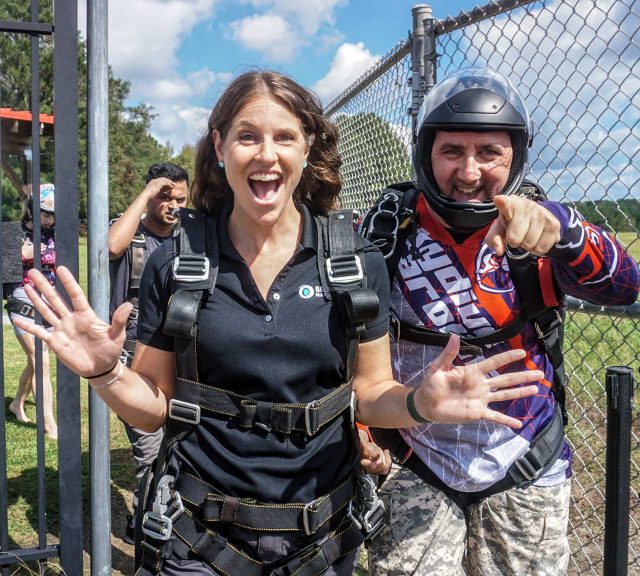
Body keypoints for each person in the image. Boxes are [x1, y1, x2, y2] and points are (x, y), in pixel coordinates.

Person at [14, 70, 545, 576]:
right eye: (248, 137)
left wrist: (416, 404)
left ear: (307, 147)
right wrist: (107, 373)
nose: (266, 155)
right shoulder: (178, 263)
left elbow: (371, 389)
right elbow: (155, 408)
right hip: (199, 537)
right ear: (220, 146)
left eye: (284, 137)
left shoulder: (357, 264)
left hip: (321, 538)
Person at [361, 67, 640, 576]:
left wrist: (566, 233)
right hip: (415, 456)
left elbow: (624, 286)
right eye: (452, 152)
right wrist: (363, 426)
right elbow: (345, 340)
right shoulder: (387, 230)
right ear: (425, 154)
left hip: (525, 459)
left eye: (488, 152)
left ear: (515, 157)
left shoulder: (538, 231)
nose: (469, 173)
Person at [108, 162, 189, 544]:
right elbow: (111, 246)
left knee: (180, 449)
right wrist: (145, 195)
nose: (173, 205)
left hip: (181, 358)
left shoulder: (189, 240)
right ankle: (150, 538)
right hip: (135, 359)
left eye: (180, 199)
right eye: (166, 196)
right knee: (150, 450)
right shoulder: (133, 236)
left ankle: (150, 521)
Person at [7, 183, 58, 440]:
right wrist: (24, 253)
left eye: (53, 215)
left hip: (47, 306)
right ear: (31, 210)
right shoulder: (13, 233)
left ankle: (17, 404)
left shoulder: (56, 234)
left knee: (33, 361)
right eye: (46, 213)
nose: (50, 219)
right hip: (22, 304)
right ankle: (49, 425)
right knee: (42, 361)